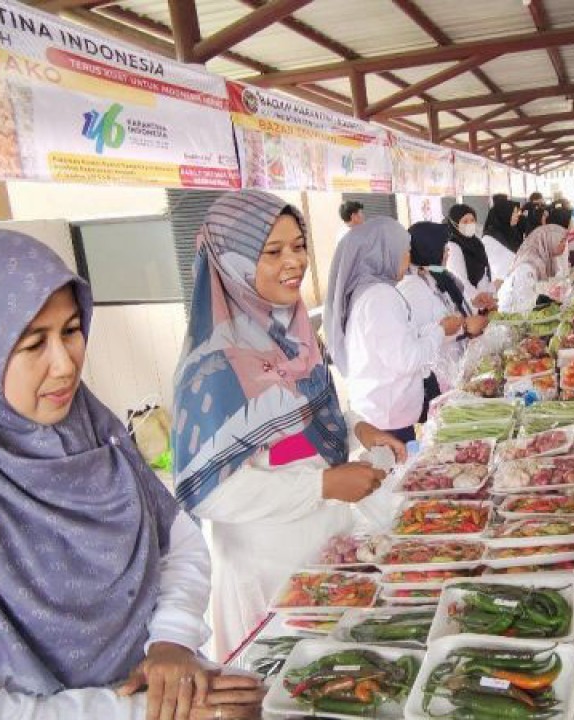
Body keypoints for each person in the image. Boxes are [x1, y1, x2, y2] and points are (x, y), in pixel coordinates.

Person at [0, 231, 261, 720]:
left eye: (72, 330)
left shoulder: (98, 444)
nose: (65, 365)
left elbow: (178, 539)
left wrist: (172, 640)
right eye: (33, 343)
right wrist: (148, 711)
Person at [171, 191, 405, 659]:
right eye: (272, 251)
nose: (294, 262)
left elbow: (315, 410)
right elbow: (211, 492)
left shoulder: (293, 332)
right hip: (269, 570)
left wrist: (359, 428)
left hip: (329, 546)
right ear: (233, 262)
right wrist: (323, 485)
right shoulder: (212, 368)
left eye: (298, 246)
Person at [327, 217, 465, 443]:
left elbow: (399, 342)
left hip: (383, 412)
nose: (409, 258)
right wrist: (440, 330)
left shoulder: (369, 293)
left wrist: (435, 329)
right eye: (405, 251)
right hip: (387, 418)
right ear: (384, 253)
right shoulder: (380, 296)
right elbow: (407, 358)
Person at [400, 222, 488, 410]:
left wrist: (474, 306)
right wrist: (463, 328)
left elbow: (450, 309)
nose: (447, 252)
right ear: (428, 248)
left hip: (458, 366)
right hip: (440, 377)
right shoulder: (412, 289)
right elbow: (422, 335)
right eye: (443, 247)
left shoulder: (437, 276)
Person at [496, 225, 569, 314]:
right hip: (513, 316)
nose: (564, 245)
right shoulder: (529, 265)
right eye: (561, 241)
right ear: (548, 241)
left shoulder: (545, 259)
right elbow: (523, 303)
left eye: (565, 241)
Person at [442, 204, 496, 311]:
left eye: (472, 220)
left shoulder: (477, 243)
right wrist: (479, 299)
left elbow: (483, 273)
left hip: (482, 303)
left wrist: (489, 295)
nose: (470, 224)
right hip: (468, 304)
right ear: (454, 223)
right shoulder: (452, 246)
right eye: (465, 221)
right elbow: (461, 280)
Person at [481, 195, 523, 282]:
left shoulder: (511, 232)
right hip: (502, 284)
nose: (517, 216)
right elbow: (497, 267)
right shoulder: (489, 239)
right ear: (505, 214)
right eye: (514, 213)